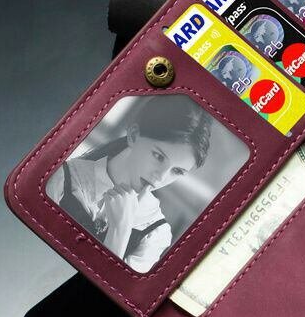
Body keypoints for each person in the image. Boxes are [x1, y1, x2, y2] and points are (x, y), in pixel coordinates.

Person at [46, 95, 212, 273]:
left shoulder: (156, 232)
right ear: (133, 135)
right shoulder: (63, 177)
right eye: (158, 156)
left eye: (177, 171)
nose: (161, 177)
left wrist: (121, 229)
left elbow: (106, 287)